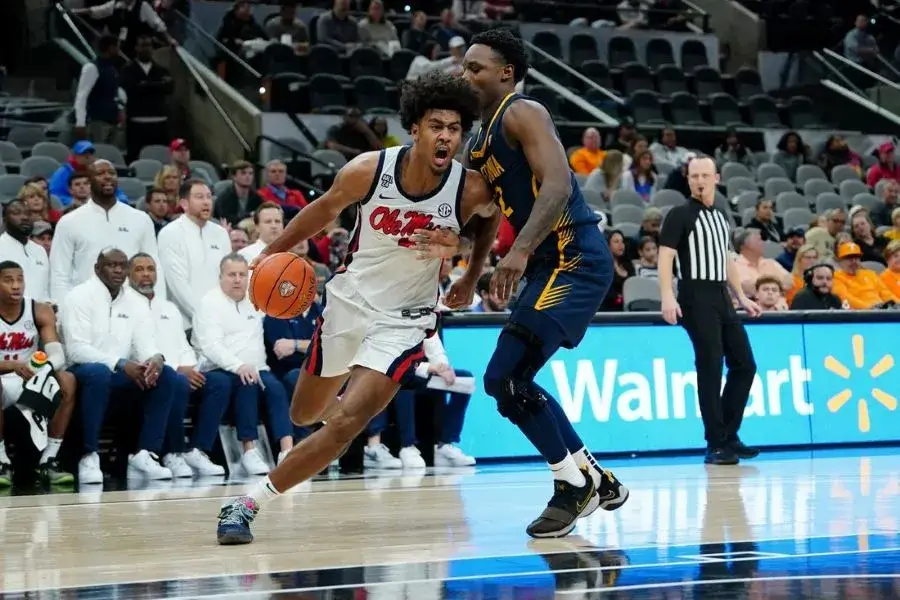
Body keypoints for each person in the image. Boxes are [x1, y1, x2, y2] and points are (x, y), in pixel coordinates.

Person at [215, 71, 499, 544]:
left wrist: (466, 265)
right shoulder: (369, 170)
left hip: (404, 322)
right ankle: (328, 433)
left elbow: (490, 219)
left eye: (454, 127)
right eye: (436, 125)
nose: (446, 135)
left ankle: (247, 505)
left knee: (347, 423)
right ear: (415, 128)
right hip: (349, 303)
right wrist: (270, 254)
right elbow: (322, 211)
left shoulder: (468, 188)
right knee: (306, 415)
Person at [431, 28, 629, 538]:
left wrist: (517, 252)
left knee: (505, 379)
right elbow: (488, 213)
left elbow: (560, 183)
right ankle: (594, 478)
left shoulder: (524, 112)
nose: (464, 74)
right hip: (547, 264)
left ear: (507, 73)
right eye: (463, 66)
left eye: (475, 67)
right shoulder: (479, 139)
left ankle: (571, 486)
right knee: (510, 380)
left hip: (576, 257)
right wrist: (472, 273)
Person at [657, 156, 761, 466]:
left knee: (745, 364)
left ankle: (729, 434)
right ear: (687, 180)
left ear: (716, 177)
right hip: (694, 294)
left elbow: (726, 258)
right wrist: (666, 296)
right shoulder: (678, 215)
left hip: (720, 294)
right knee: (711, 366)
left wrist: (741, 295)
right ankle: (716, 443)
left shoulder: (720, 216)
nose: (699, 180)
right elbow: (665, 258)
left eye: (705, 175)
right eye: (694, 176)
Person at [61, 248, 178, 484]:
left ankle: (145, 455)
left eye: (122, 265)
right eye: (110, 265)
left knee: (166, 375)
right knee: (98, 373)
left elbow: (143, 344)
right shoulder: (78, 296)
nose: (117, 270)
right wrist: (120, 363)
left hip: (122, 373)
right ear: (97, 268)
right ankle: (89, 456)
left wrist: (155, 358)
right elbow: (76, 350)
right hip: (84, 372)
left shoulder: (134, 301)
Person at [0, 261, 77, 486]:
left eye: (20, 279)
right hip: (2, 381)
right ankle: (2, 462)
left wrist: (40, 370)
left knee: (67, 380)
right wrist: (11, 365)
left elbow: (57, 355)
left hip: (30, 379)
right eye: (8, 280)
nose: (16, 285)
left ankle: (49, 461)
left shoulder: (39, 310)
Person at [50, 160, 162, 306]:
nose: (107, 177)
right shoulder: (69, 222)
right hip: (86, 306)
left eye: (111, 173)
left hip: (133, 306)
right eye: (100, 173)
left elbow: (154, 266)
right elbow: (59, 273)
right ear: (90, 181)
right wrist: (63, 311)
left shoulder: (140, 219)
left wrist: (157, 305)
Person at [157, 179, 231, 330]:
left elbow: (227, 277)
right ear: (184, 204)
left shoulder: (221, 234)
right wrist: (204, 318)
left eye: (209, 197)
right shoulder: (170, 233)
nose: (206, 202)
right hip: (184, 324)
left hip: (220, 322)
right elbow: (177, 284)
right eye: (199, 197)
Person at [0, 199, 50, 302]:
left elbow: (45, 288)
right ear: (4, 220)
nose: (25, 217)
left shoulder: (40, 250)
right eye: (16, 213)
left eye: (28, 213)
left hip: (39, 313)